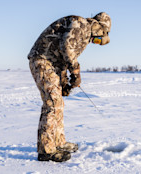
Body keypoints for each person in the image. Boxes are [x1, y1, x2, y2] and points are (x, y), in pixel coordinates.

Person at [28, 12, 111, 162]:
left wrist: (64, 81)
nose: (95, 41)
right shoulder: (81, 24)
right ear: (99, 27)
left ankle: (59, 143)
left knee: (58, 103)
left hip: (53, 64)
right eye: (99, 38)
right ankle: (46, 151)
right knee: (52, 103)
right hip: (42, 60)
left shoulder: (84, 35)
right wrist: (76, 70)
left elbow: (63, 58)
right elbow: (66, 46)